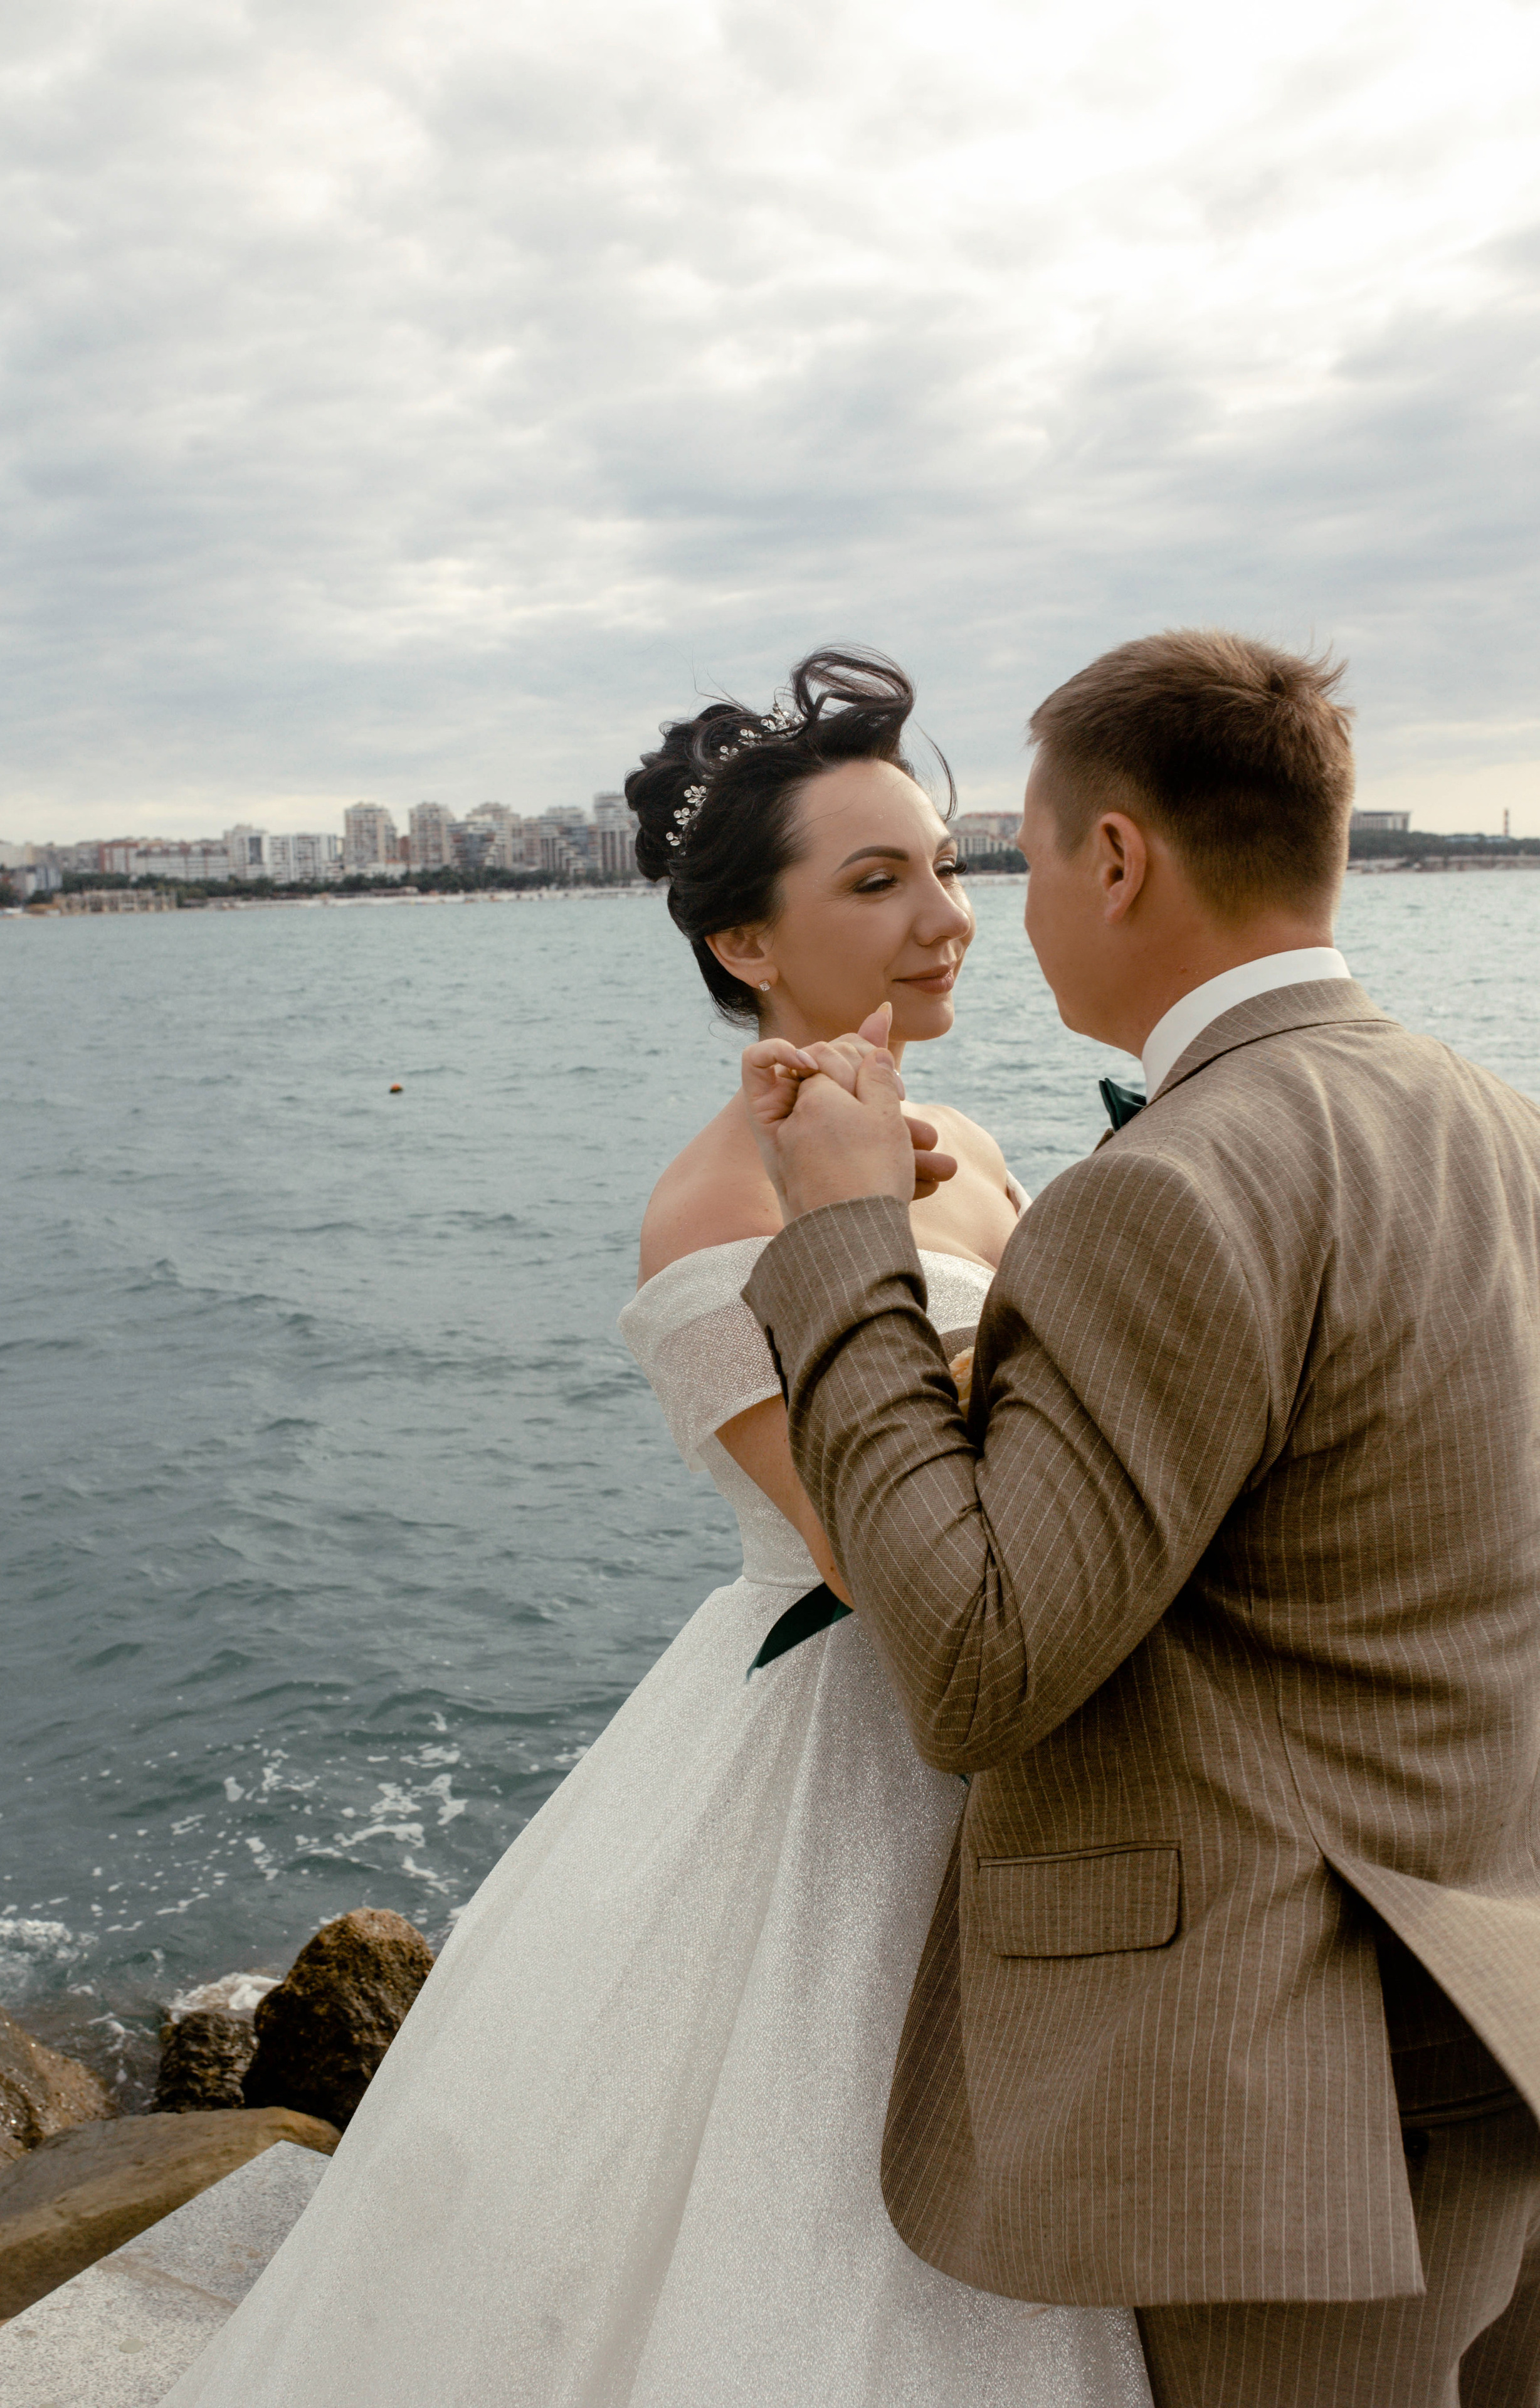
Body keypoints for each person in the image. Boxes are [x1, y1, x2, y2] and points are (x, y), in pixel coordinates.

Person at [161, 651, 1153, 2407]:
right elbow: (873, 1556)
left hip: (1047, 1706)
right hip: (867, 1747)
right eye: (877, 882)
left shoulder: (974, 1140)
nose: (946, 920)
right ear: (746, 944)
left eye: (945, 868)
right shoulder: (708, 1210)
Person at [740, 630, 1540, 2408]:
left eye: (1016, 858)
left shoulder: (1174, 1182)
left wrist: (846, 1239)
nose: (996, 914)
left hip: (1299, 2093)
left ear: (1115, 859)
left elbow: (979, 1664)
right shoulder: (1499, 1121)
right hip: (1493, 1997)